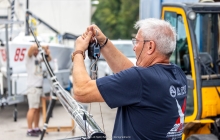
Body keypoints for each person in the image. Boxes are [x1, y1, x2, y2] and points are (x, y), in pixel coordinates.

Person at [72, 18, 187, 140]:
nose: (134, 47)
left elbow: (81, 91)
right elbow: (129, 73)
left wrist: (78, 51)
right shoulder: (178, 74)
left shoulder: (141, 79)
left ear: (150, 46)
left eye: (136, 42)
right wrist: (103, 42)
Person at [25, 44, 51, 137]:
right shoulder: (29, 58)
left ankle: (36, 128)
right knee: (32, 109)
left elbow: (49, 59)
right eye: (35, 50)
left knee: (37, 109)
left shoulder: (38, 57)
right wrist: (42, 46)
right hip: (33, 88)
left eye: (37, 50)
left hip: (40, 88)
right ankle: (29, 129)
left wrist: (47, 51)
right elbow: (31, 47)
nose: (36, 51)